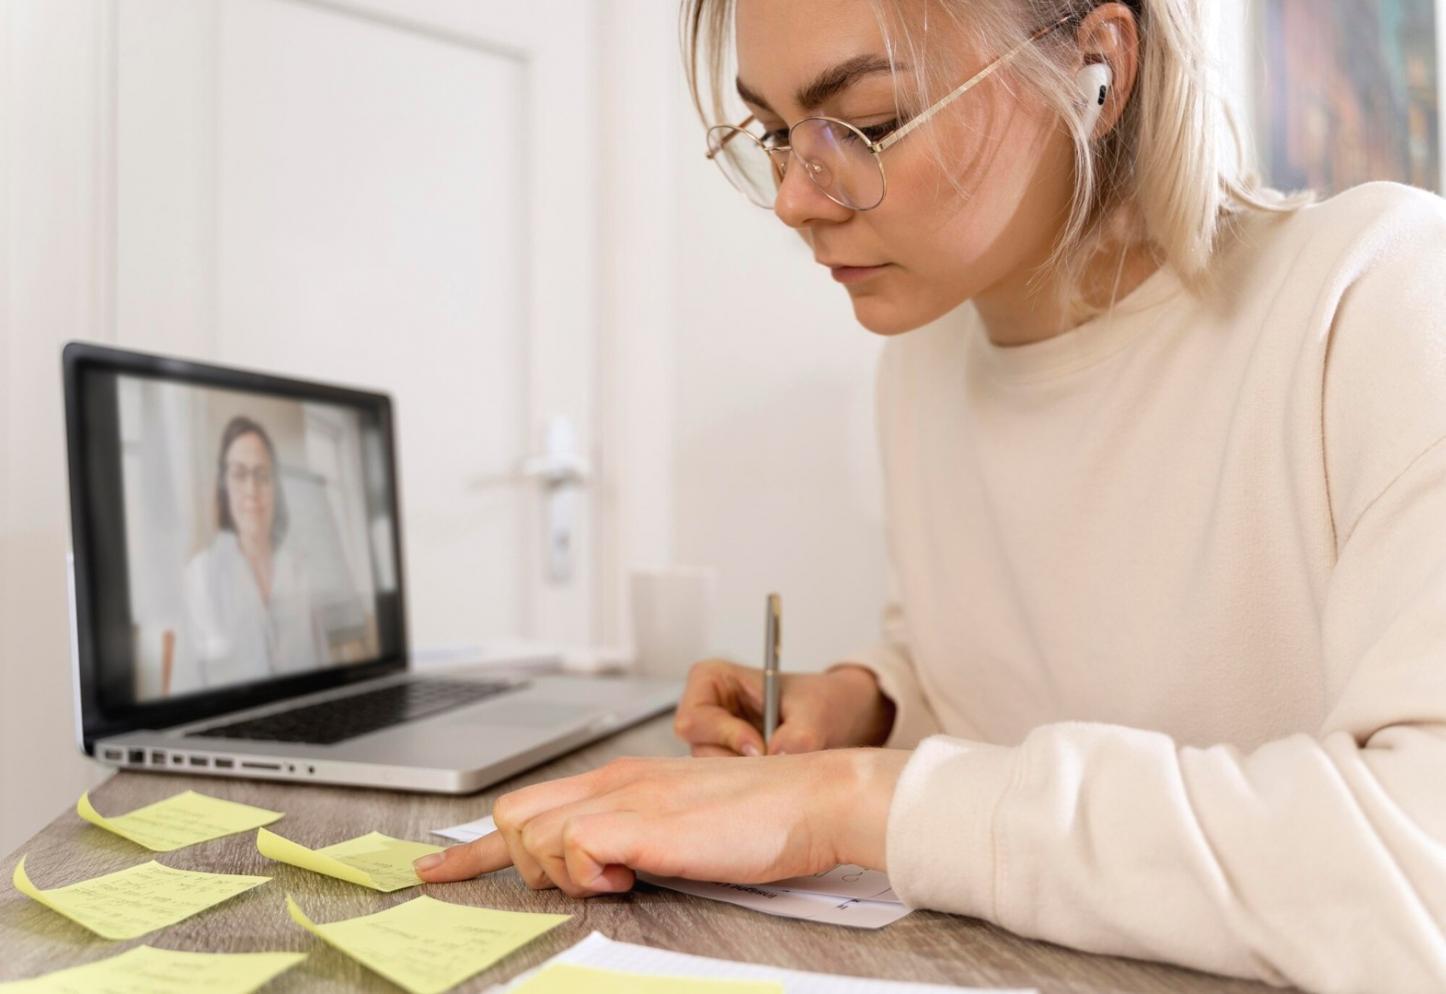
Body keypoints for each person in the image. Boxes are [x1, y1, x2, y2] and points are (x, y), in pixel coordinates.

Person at [415, 1, 1446, 988]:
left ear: (1098, 69)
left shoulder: (1382, 296)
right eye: (772, 130)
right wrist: (872, 700)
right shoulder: (923, 362)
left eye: (866, 124)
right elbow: (1008, 677)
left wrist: (851, 801)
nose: (792, 197)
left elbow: (1422, 872)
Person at [182, 415, 326, 688]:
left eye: (263, 475)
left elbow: (324, 670)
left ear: (276, 486)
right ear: (223, 485)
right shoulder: (200, 575)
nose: (252, 490)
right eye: (239, 474)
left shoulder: (301, 571)